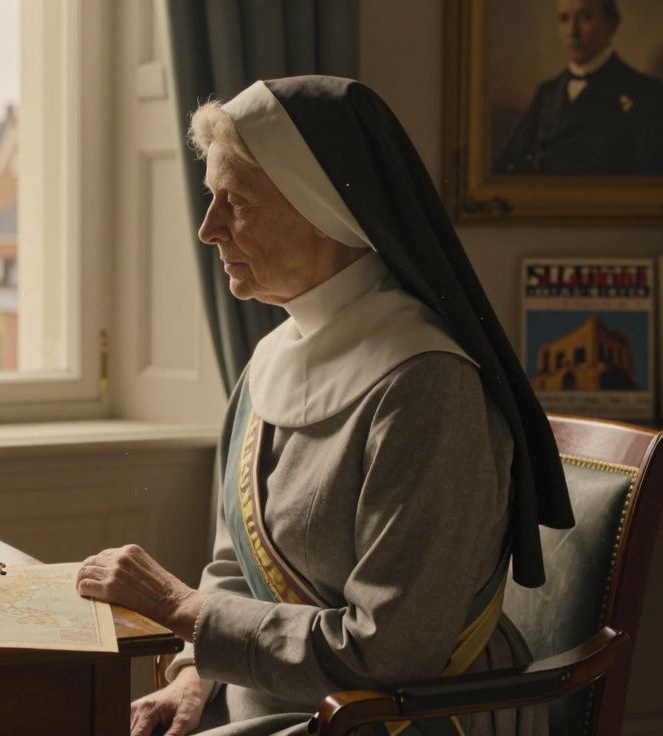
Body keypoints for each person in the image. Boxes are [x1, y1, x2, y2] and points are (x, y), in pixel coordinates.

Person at [76, 76, 573, 736]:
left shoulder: (428, 388)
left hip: (404, 720)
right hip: (276, 702)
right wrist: (196, 675)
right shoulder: (269, 361)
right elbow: (235, 568)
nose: (208, 229)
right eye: (210, 200)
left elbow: (390, 656)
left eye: (238, 204)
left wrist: (177, 605)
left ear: (324, 211)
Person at [493, 0, 663, 175]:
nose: (572, 31)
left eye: (585, 17)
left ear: (612, 24)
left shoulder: (645, 94)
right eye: (564, 19)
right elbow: (508, 166)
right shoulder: (547, 93)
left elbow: (655, 183)